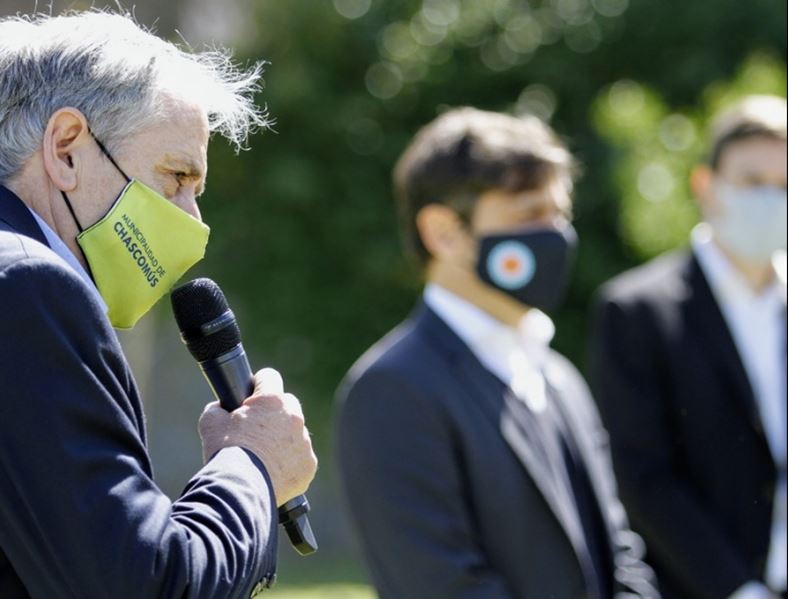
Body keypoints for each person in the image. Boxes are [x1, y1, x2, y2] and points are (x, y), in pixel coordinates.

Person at [0, 11, 317, 599]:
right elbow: (145, 585)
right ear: (66, 149)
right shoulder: (18, 289)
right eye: (176, 177)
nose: (193, 220)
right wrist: (255, 464)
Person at [335, 107, 658, 599]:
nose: (555, 235)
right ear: (444, 232)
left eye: (559, 214)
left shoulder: (559, 376)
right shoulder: (391, 391)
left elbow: (621, 556)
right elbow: (443, 587)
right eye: (529, 214)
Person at [589, 95, 787, 599]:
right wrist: (737, 590)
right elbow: (643, 477)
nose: (771, 198)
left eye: (784, 185)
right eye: (753, 182)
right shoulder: (638, 311)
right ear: (707, 186)